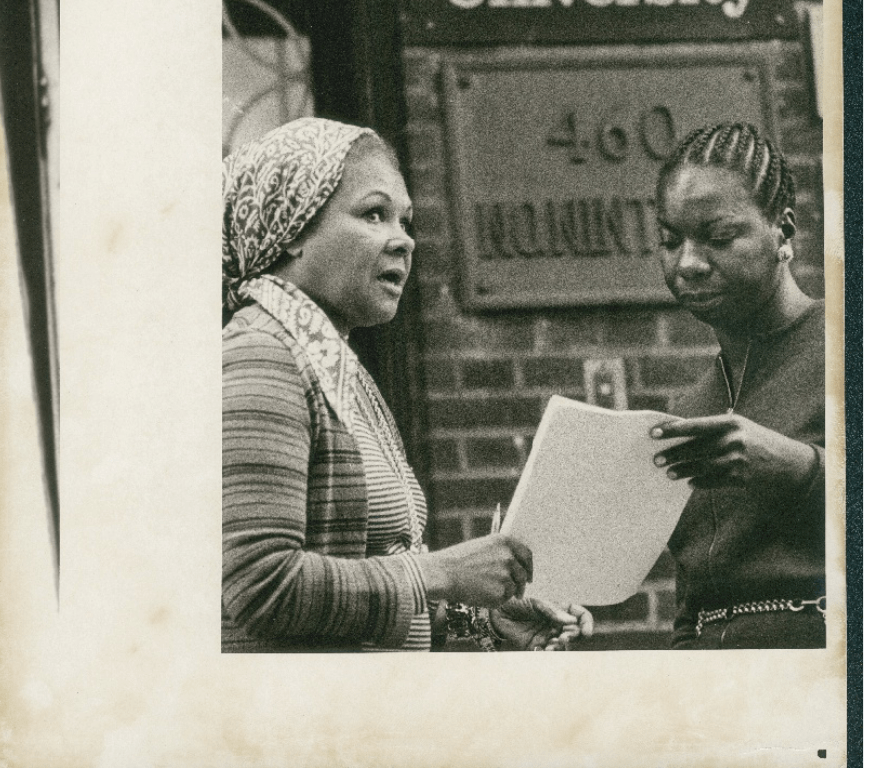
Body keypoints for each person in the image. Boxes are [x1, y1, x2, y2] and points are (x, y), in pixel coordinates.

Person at [222, 116, 592, 652]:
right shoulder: (261, 354)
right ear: (294, 231)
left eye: (406, 221)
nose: (404, 241)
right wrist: (439, 573)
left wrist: (483, 621)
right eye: (374, 214)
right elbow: (260, 585)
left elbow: (371, 598)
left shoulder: (333, 364)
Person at [650, 122, 825, 649]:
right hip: (719, 698)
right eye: (670, 240)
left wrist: (801, 468)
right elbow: (693, 607)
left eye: (720, 237)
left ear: (783, 232)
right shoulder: (694, 406)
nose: (689, 263)